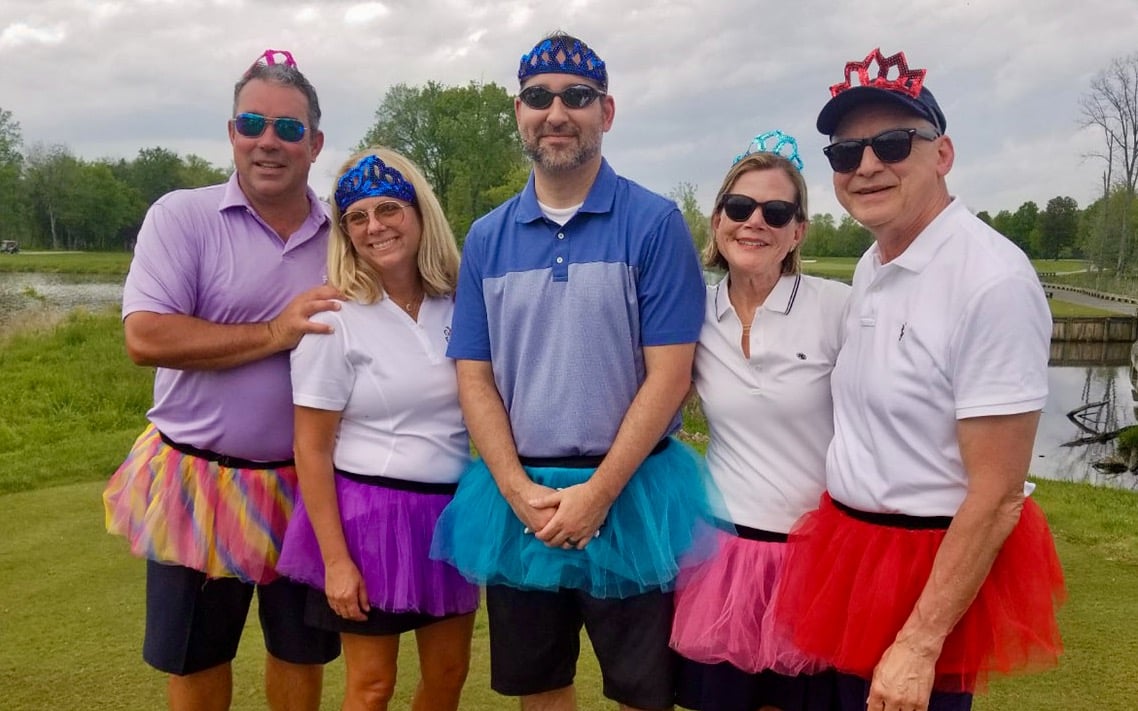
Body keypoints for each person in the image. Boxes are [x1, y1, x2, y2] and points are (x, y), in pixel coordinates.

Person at [430, 31, 716, 711]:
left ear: (606, 112)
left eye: (577, 97)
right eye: (538, 97)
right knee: (541, 687)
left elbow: (670, 375)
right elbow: (475, 377)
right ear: (519, 111)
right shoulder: (488, 237)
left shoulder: (654, 223)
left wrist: (599, 493)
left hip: (633, 492)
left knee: (643, 692)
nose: (556, 112)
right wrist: (515, 486)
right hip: (521, 494)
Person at [773, 48, 1066, 711]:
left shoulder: (992, 280)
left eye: (893, 142)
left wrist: (919, 642)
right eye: (846, 154)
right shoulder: (876, 263)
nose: (867, 165)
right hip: (847, 553)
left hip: (923, 570)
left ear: (944, 154)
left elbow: (996, 493)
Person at [102, 49, 341, 711]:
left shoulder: (346, 235)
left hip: (309, 484)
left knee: (301, 649)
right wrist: (273, 333)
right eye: (253, 123)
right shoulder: (181, 216)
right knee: (198, 654)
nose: (269, 141)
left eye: (289, 129)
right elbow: (145, 336)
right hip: (197, 480)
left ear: (315, 143)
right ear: (232, 132)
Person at [275, 148, 477, 711]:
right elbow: (310, 448)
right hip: (369, 522)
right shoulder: (333, 318)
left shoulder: (461, 302)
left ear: (419, 213)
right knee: (370, 687)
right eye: (356, 217)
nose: (375, 227)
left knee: (448, 674)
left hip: (450, 516)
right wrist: (336, 561)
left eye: (388, 208)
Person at [670, 132, 849, 711]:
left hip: (813, 561)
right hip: (721, 557)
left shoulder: (837, 308)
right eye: (740, 207)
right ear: (718, 218)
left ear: (797, 230)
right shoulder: (691, 311)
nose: (755, 223)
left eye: (776, 212)